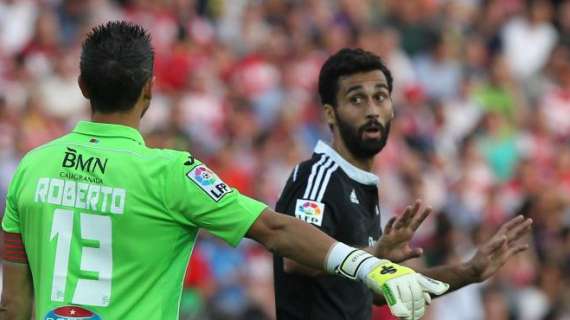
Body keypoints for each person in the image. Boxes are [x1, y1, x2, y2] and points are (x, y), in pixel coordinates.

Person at [0, 22, 445, 320]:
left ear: (82, 86)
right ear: (149, 89)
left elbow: (13, 304)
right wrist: (370, 266)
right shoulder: (171, 174)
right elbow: (275, 229)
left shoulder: (32, 167)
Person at [273, 48, 533, 320]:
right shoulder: (318, 177)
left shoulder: (361, 187)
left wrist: (469, 271)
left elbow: (374, 292)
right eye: (357, 99)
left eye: (380, 97)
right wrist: (374, 253)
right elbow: (296, 257)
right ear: (330, 114)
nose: (372, 110)